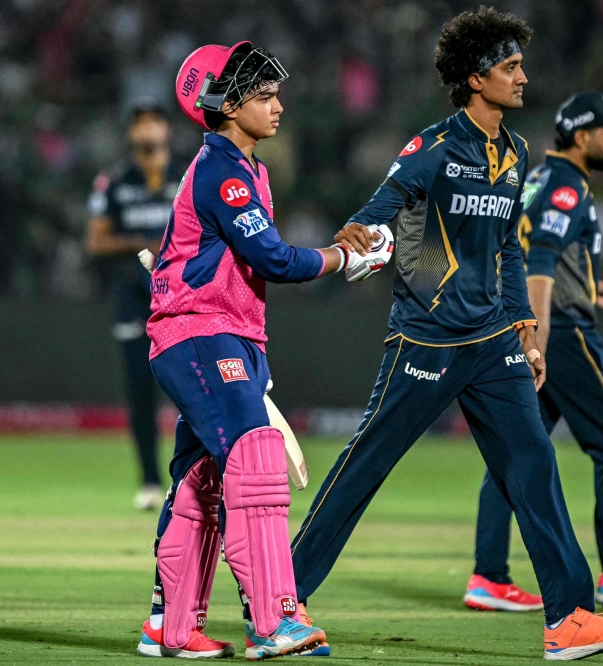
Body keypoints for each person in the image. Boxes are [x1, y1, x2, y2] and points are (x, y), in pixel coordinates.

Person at [289, 7, 603, 661]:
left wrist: (526, 328)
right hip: (425, 338)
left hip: (493, 343)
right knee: (368, 461)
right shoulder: (432, 148)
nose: (523, 77)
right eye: (511, 67)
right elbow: (376, 210)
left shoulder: (515, 153)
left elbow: (508, 248)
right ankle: (283, 594)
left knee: (533, 464)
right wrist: (356, 236)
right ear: (477, 79)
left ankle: (568, 617)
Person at [136, 41, 392, 660]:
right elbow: (274, 259)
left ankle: (170, 628)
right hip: (199, 332)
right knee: (255, 458)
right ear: (223, 105)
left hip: (227, 333)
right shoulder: (222, 171)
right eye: (263, 96)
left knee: (200, 480)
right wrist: (345, 258)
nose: (278, 105)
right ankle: (276, 621)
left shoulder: (248, 168)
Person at [465, 91, 603, 614]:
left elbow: (529, 250)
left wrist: (591, 288)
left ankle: (488, 576)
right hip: (562, 333)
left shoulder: (536, 180)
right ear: (582, 137)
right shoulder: (568, 189)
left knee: (515, 451)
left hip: (543, 318)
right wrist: (538, 343)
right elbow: (539, 267)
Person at [87, 103, 177, 510]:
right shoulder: (114, 181)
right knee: (140, 390)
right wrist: (144, 244)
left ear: (167, 129)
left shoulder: (188, 176)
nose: (148, 130)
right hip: (131, 294)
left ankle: (196, 479)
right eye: (140, 124)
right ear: (131, 135)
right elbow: (96, 241)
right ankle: (150, 481)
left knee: (191, 386)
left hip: (180, 294)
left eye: (154, 122)